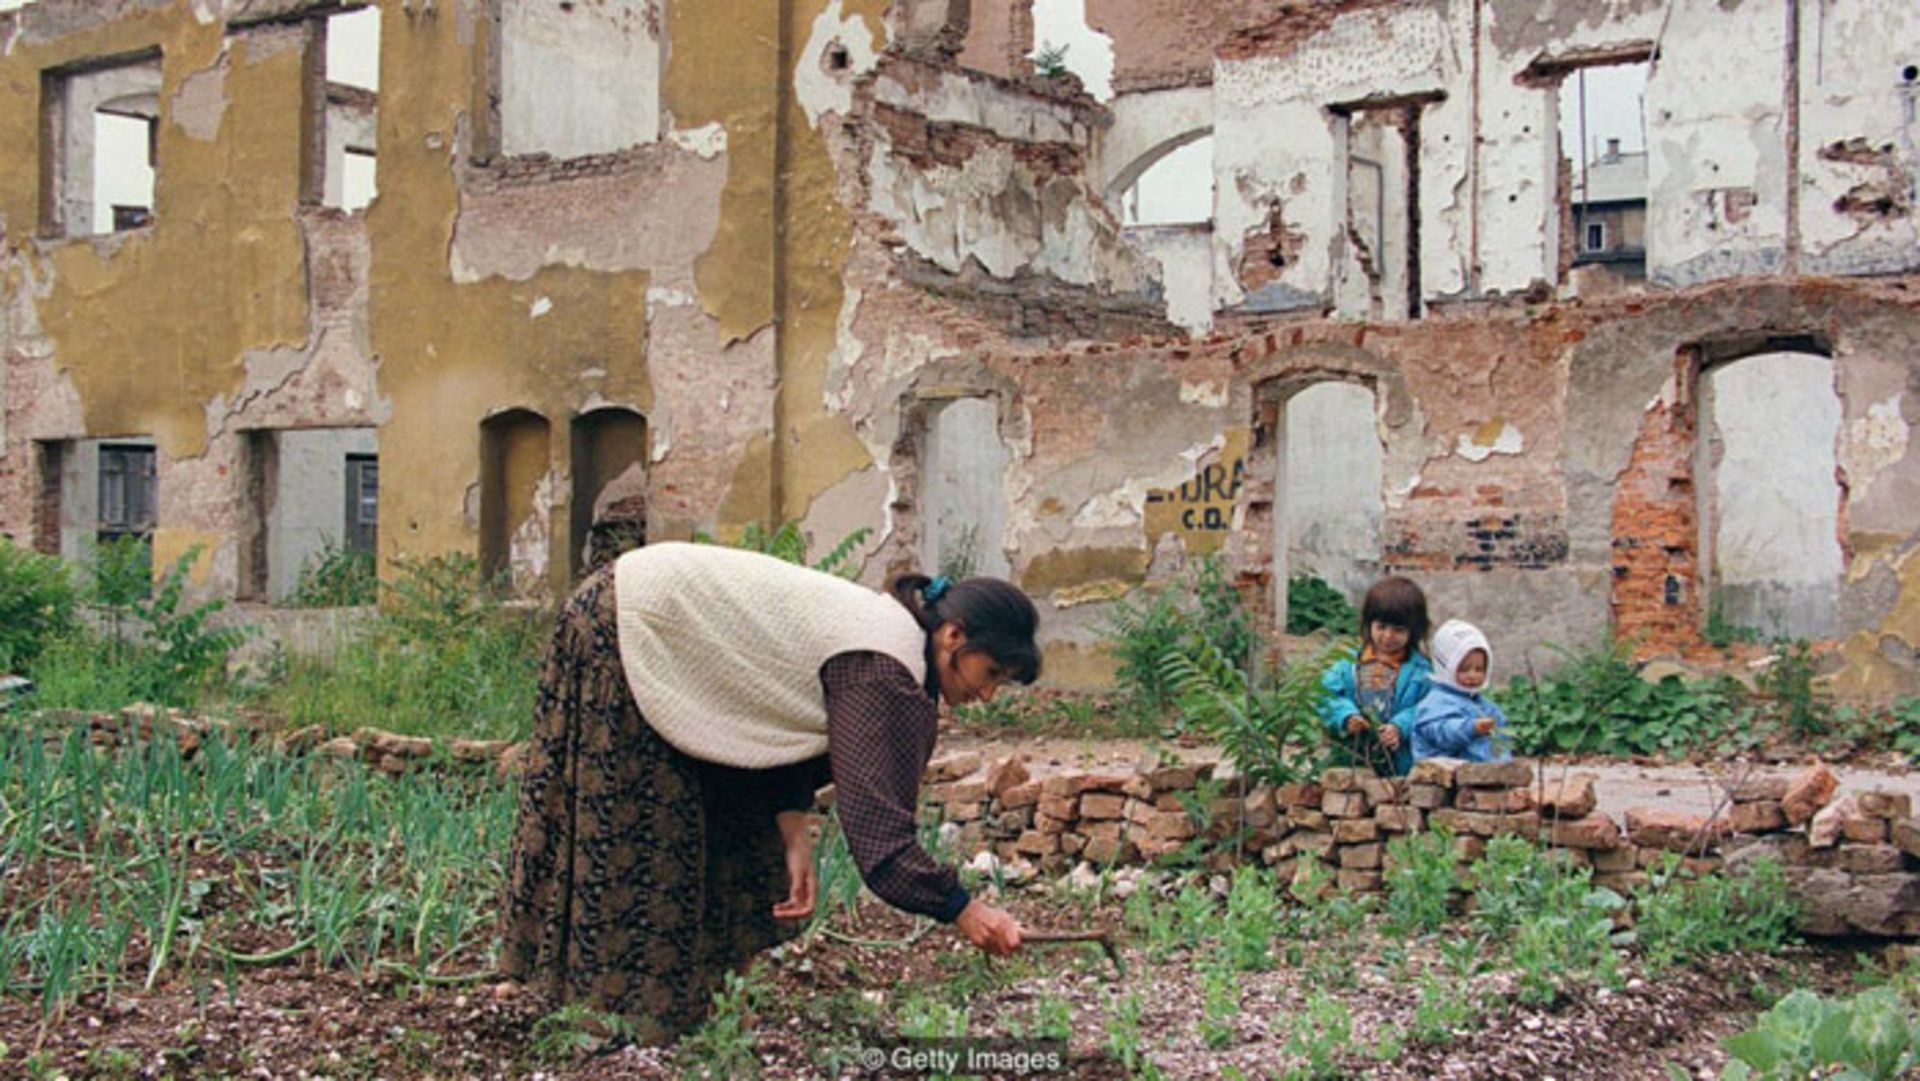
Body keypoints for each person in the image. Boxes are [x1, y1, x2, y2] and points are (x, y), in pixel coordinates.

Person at [498, 541, 1038, 1044]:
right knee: (642, 831)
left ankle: (692, 1006)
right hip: (630, 626)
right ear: (953, 636)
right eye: (988, 672)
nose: (986, 693)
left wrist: (792, 823)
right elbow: (881, 842)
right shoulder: (884, 668)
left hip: (645, 612)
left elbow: (778, 712)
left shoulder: (890, 647)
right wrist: (964, 909)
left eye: (1001, 683)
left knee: (728, 819)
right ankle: (613, 1019)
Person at [1316, 576, 1432, 777]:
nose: (1388, 636)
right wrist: (1346, 716)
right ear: (1368, 623)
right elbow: (1325, 695)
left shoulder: (1421, 672)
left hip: (1400, 764)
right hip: (1351, 757)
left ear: (1413, 631)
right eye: (1381, 627)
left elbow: (1429, 708)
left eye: (1398, 630)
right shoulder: (1347, 664)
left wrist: (1400, 726)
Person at [1411, 619, 1511, 763]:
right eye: (1464, 669)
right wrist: (1470, 728)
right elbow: (1442, 733)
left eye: (1479, 669)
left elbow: (1502, 737)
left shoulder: (1485, 705)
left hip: (1483, 774)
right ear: (1446, 667)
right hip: (1445, 775)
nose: (1473, 675)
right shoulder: (1435, 703)